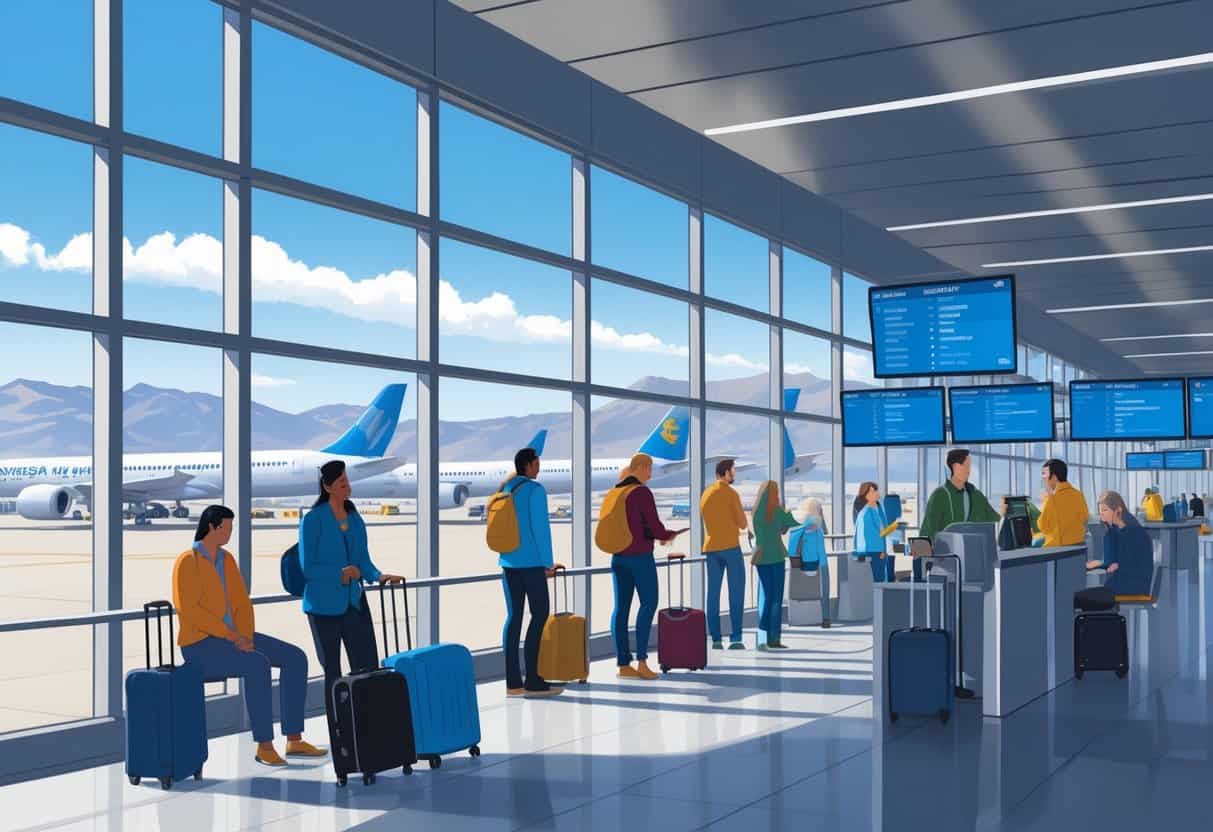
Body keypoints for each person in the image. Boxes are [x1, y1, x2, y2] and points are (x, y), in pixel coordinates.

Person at [173, 505, 327, 767]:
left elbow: (242, 604)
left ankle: (294, 738)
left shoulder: (227, 559)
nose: (230, 533)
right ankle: (264, 746)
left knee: (295, 658)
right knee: (257, 664)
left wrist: (245, 637)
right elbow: (190, 611)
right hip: (200, 644)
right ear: (212, 526)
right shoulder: (188, 561)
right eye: (227, 527)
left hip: (235, 638)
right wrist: (233, 637)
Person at [299, 460, 404, 749]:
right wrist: (339, 574)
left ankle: (367, 726)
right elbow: (308, 567)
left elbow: (363, 560)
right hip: (323, 607)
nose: (348, 487)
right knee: (332, 671)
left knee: (367, 666)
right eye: (342, 483)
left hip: (354, 603)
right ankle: (339, 731)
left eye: (348, 482)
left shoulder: (354, 517)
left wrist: (378, 575)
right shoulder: (313, 520)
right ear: (327, 487)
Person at [607, 453, 679, 679]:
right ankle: (641, 661)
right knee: (648, 604)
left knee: (621, 609)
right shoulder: (641, 492)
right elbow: (654, 526)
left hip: (618, 557)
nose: (650, 473)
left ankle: (623, 664)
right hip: (640, 557)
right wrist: (667, 535)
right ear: (640, 467)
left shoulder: (615, 493)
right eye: (648, 468)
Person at [498, 447, 562, 697]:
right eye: (537, 463)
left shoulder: (506, 489)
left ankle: (513, 682)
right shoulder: (535, 491)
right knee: (539, 615)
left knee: (514, 618)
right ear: (528, 465)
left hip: (508, 564)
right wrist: (548, 563)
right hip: (532, 565)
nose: (539, 467)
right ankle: (534, 680)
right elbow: (541, 531)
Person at [918, 449, 1001, 580]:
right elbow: (926, 535)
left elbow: (995, 522)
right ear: (956, 467)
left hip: (977, 567)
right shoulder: (940, 496)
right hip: (947, 568)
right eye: (966, 466)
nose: (969, 470)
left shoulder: (976, 495)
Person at [1076, 490, 1155, 610]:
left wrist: (1100, 564)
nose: (1101, 515)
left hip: (1129, 588)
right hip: (1135, 584)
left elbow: (1115, 562)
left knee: (1077, 599)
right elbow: (1115, 562)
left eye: (1105, 510)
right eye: (1100, 511)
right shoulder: (1132, 529)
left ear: (1118, 510)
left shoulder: (1125, 533)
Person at [700, 458, 748, 650]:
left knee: (712, 595)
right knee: (736, 592)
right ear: (726, 473)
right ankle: (736, 637)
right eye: (733, 471)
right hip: (730, 547)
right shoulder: (731, 494)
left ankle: (716, 639)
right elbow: (743, 523)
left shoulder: (706, 494)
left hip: (711, 549)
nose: (734, 474)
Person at [751, 480, 799, 651]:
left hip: (761, 559)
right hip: (777, 558)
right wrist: (789, 513)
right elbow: (792, 522)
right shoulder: (776, 511)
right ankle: (774, 638)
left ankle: (761, 637)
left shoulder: (756, 513)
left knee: (767, 596)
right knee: (776, 600)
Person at [790, 497, 831, 628]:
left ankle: (799, 619)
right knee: (824, 592)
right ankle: (825, 618)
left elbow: (791, 549)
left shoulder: (796, 528)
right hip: (818, 564)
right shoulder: (817, 529)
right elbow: (821, 551)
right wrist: (824, 567)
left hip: (798, 564)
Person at [1033, 459, 1089, 547]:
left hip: (1056, 549)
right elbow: (1084, 517)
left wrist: (1046, 500)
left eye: (1045, 476)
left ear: (1054, 477)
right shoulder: (1078, 494)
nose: (1043, 480)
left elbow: (1042, 526)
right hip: (1078, 545)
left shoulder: (1052, 499)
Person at [853, 483, 894, 583]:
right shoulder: (871, 511)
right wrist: (895, 525)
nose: (876, 493)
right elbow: (883, 532)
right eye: (873, 491)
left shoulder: (862, 513)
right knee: (878, 582)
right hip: (876, 552)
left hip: (863, 553)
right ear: (866, 495)